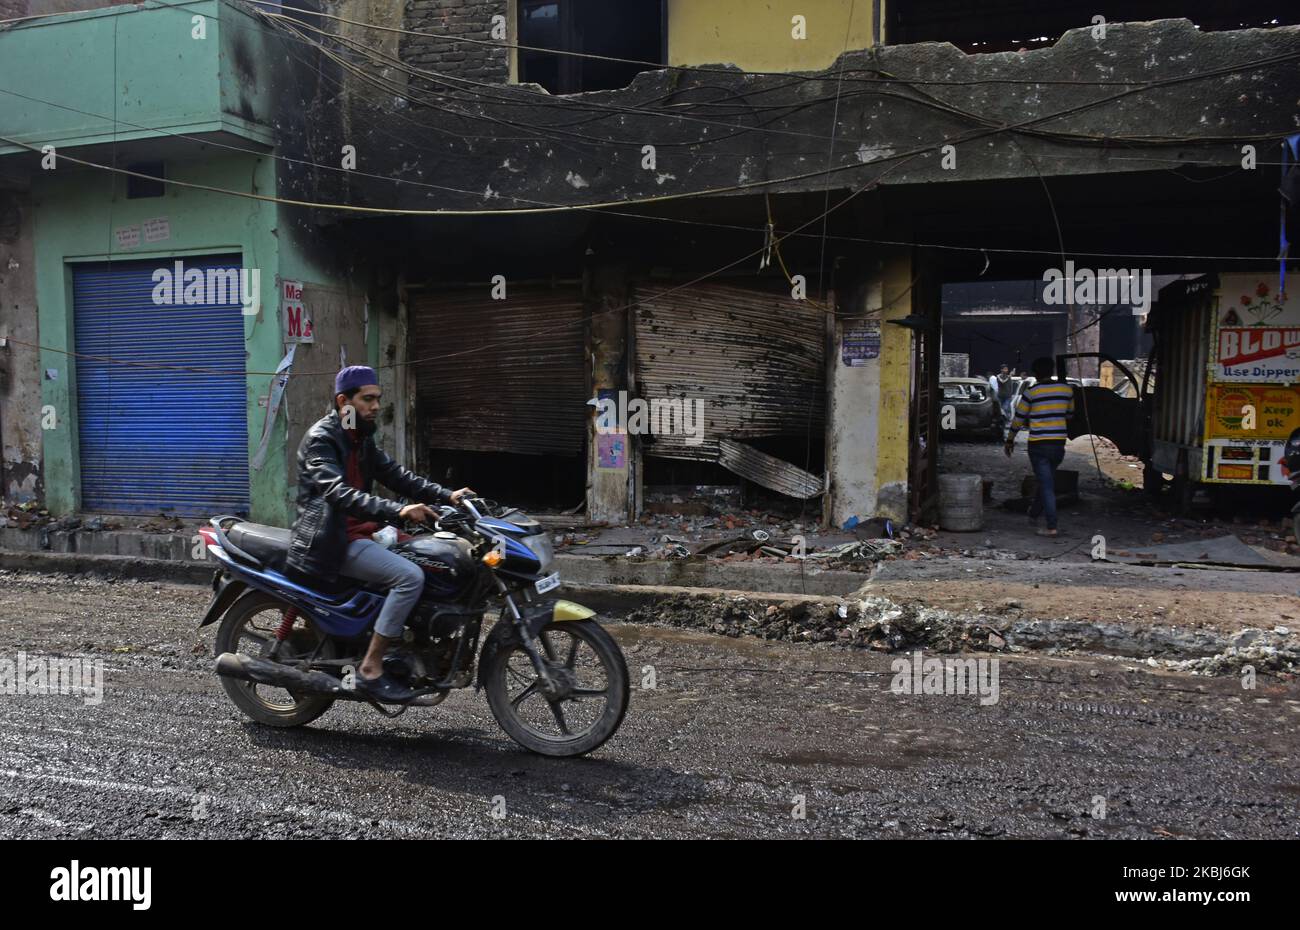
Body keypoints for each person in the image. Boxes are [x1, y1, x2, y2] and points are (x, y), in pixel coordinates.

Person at [285, 366, 474, 702]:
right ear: (344, 401)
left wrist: (447, 496)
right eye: (367, 399)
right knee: (409, 578)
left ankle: (412, 642)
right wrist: (397, 510)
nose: (375, 406)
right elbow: (338, 493)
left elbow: (398, 476)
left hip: (366, 533)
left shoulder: (359, 436)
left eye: (377, 399)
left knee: (437, 558)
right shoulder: (322, 440)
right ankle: (371, 668)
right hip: (334, 540)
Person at [1004, 357, 1074, 537]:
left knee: (1047, 484)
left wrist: (1010, 440)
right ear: (1051, 371)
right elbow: (1070, 415)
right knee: (1046, 481)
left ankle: (1052, 526)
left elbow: (1018, 419)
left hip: (1038, 445)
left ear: (1035, 374)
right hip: (1058, 444)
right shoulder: (1067, 390)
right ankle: (1033, 513)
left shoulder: (1031, 393)